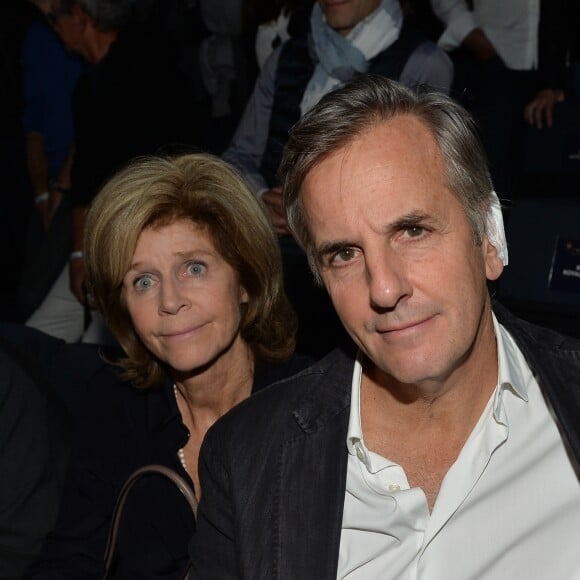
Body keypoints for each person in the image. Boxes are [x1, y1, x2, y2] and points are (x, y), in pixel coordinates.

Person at [189, 76, 580, 578]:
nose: (384, 288)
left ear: (488, 236)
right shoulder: (248, 459)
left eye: (412, 230)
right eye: (345, 254)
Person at [25, 153, 306, 579]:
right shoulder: (116, 402)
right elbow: (73, 554)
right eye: (144, 281)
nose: (170, 301)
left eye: (193, 268)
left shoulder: (312, 408)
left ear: (245, 281)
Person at [224, 0, 453, 357]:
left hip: (362, 261)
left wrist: (307, 212)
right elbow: (237, 157)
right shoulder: (286, 57)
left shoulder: (421, 61)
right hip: (271, 254)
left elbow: (415, 188)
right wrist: (258, 198)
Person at [26, 0, 199, 343]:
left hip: (151, 232)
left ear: (80, 17)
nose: (53, 27)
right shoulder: (92, 84)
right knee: (39, 333)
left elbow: (166, 166)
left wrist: (83, 254)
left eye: (54, 18)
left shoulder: (143, 71)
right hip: (107, 235)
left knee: (97, 345)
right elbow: (87, 174)